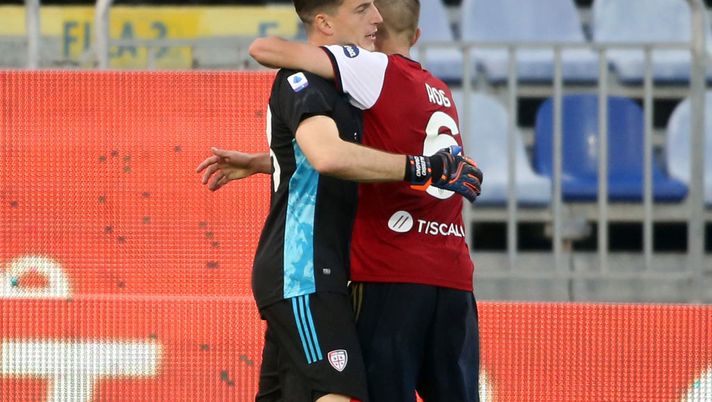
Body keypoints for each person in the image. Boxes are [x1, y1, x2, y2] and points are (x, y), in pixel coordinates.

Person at [196, 1, 482, 401]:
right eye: (363, 8)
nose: (376, 18)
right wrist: (421, 167)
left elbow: (339, 155)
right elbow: (328, 156)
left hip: (328, 273)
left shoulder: (348, 89)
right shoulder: (305, 77)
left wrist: (272, 161)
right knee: (341, 392)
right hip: (302, 272)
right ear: (326, 22)